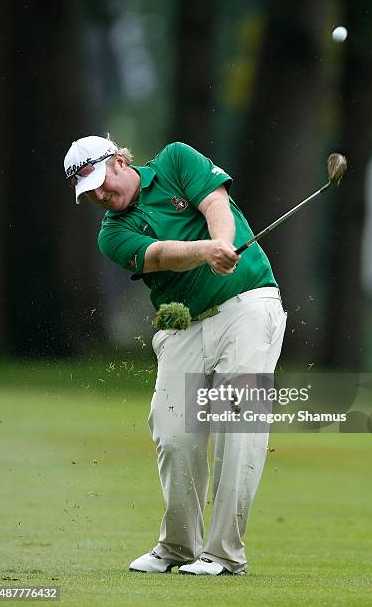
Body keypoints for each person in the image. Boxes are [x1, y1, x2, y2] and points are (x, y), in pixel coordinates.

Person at [64, 135, 286, 575]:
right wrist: (207, 252)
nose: (98, 195)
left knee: (236, 424)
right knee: (174, 433)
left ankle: (223, 554)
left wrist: (222, 242)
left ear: (120, 160)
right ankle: (179, 548)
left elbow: (215, 204)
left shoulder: (175, 160)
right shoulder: (112, 234)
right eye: (87, 193)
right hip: (183, 325)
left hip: (247, 302)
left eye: (99, 182)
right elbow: (160, 255)